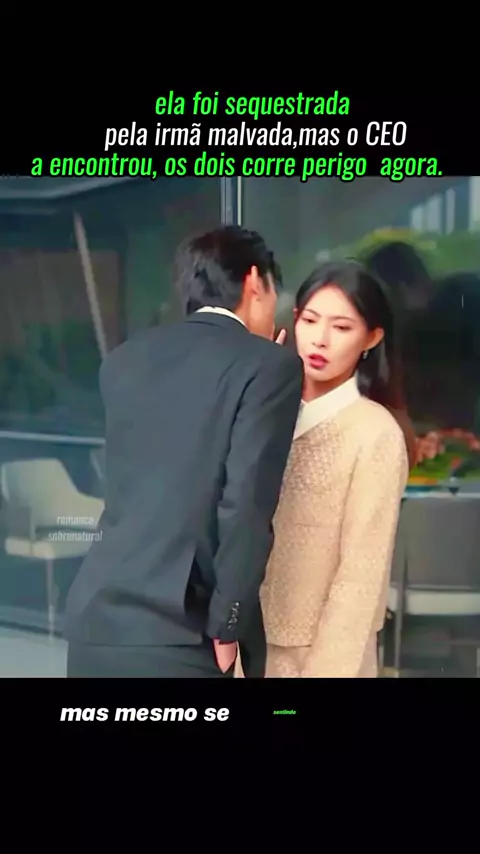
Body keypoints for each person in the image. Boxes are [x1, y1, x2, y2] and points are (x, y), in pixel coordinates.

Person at [64, 226, 303, 678]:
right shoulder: (270, 367)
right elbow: (245, 506)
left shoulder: (124, 359)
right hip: (180, 634)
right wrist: (228, 626)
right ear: (255, 281)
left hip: (96, 620)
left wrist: (258, 366)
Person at [241, 260, 410, 678]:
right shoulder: (261, 413)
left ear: (372, 337)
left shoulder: (375, 434)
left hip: (321, 657)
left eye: (342, 327)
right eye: (311, 320)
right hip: (242, 648)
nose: (320, 339)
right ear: (295, 319)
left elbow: (361, 577)